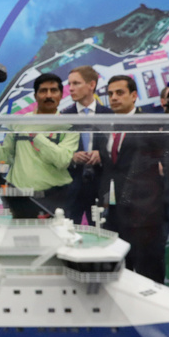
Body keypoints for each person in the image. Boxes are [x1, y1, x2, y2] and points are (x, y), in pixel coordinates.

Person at [99, 74, 169, 282]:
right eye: (110, 94)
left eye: (119, 93)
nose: (114, 98)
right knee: (119, 272)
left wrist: (161, 197)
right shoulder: (104, 124)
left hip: (145, 212)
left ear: (134, 95)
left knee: (149, 270)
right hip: (112, 212)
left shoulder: (149, 123)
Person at [0, 73, 78, 218]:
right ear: (35, 95)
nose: (48, 95)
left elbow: (62, 160)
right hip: (18, 197)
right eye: (43, 91)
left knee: (53, 239)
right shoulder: (19, 123)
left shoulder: (69, 126)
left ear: (61, 95)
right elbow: (4, 158)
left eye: (53, 90)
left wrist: (36, 136)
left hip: (54, 197)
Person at [61, 65, 112, 224]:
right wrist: (71, 157)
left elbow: (118, 148)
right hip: (71, 186)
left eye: (76, 83)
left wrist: (102, 154)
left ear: (91, 85)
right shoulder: (63, 117)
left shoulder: (109, 115)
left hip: (101, 185)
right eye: (69, 84)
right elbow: (56, 150)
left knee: (103, 233)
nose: (71, 89)